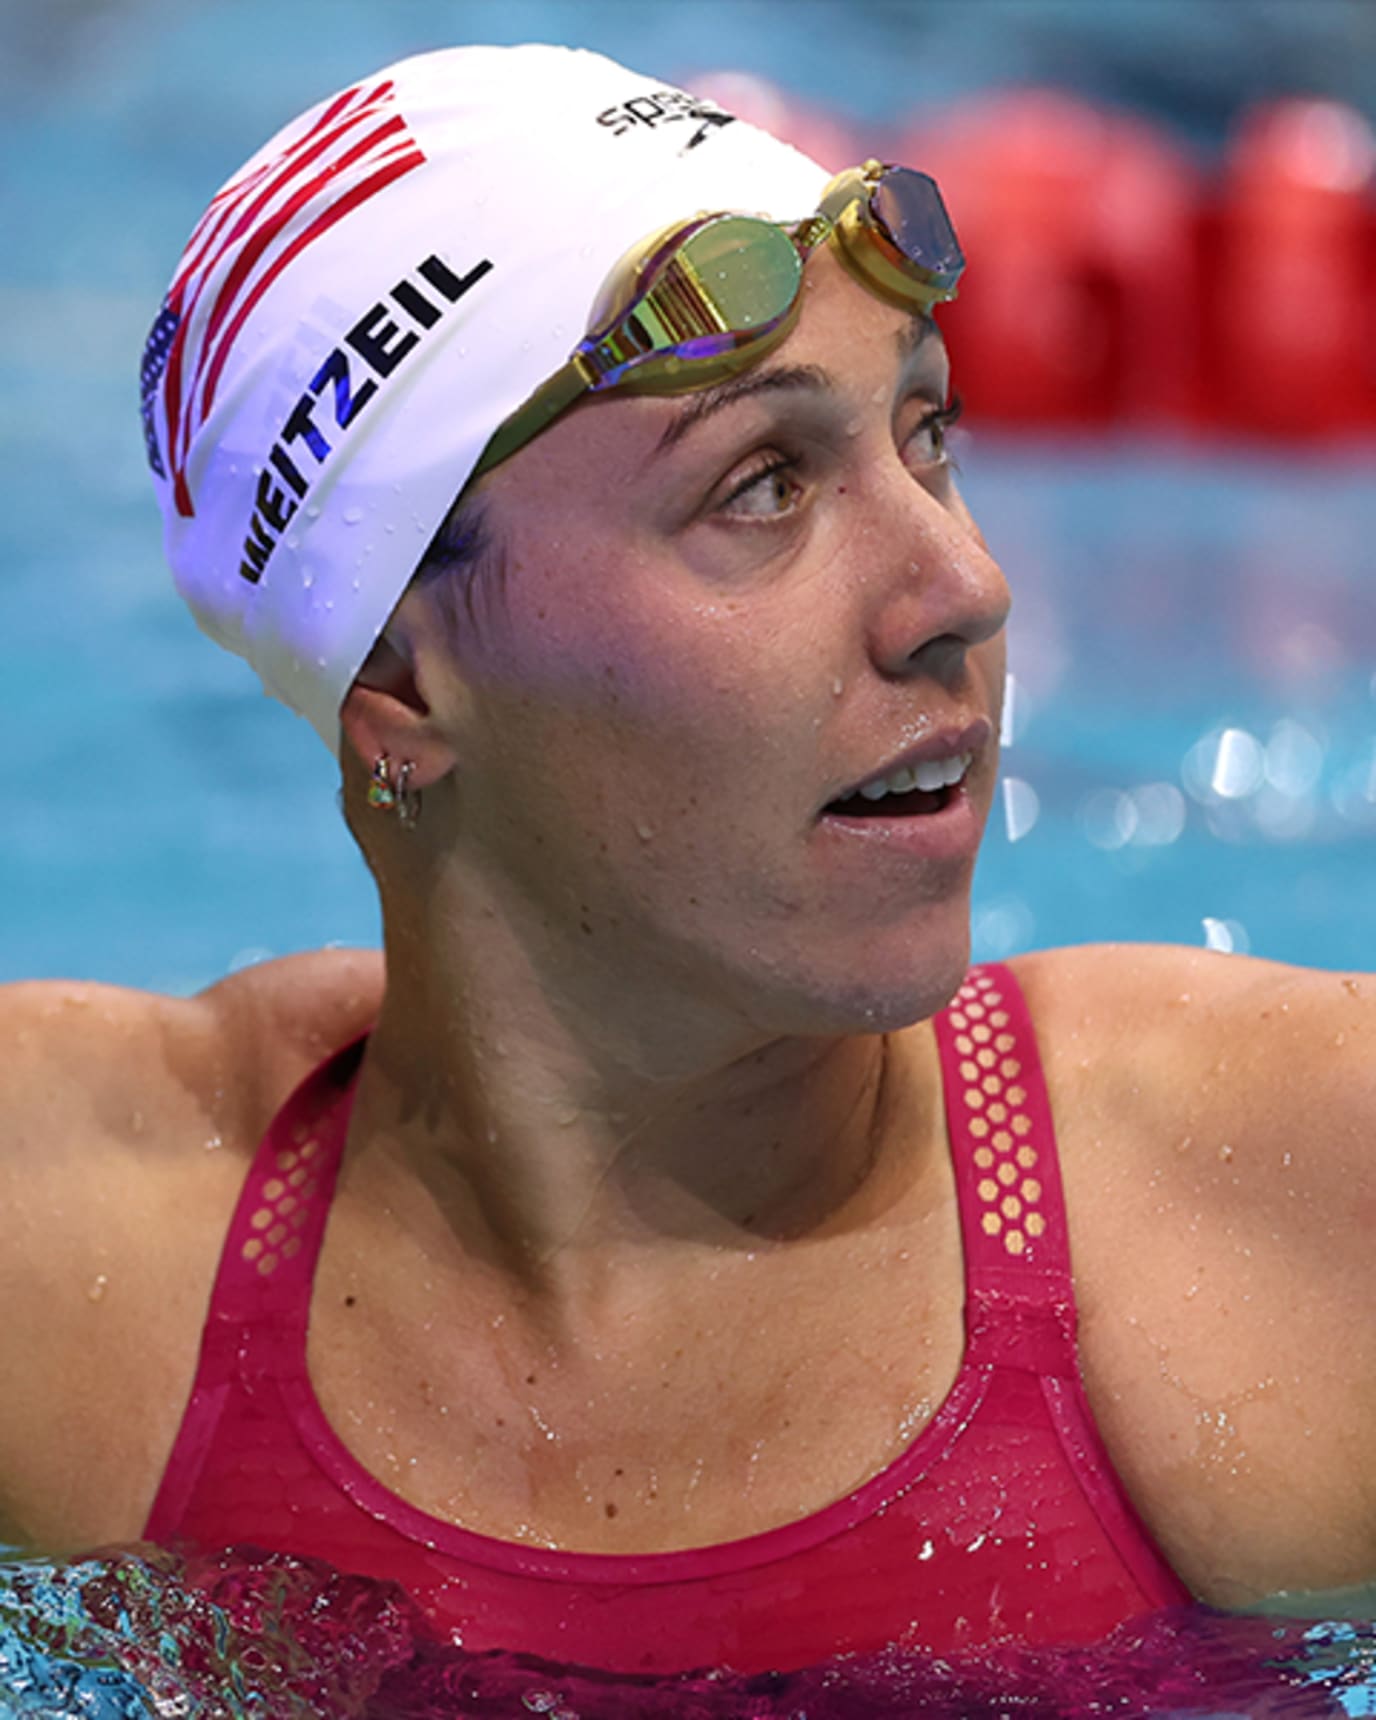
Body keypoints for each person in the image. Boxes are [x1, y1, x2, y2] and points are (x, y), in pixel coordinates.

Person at [1, 42, 1371, 1678]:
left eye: (927, 434)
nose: (963, 584)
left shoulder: (1289, 1214)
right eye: (764, 486)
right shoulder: (78, 1287)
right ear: (400, 684)